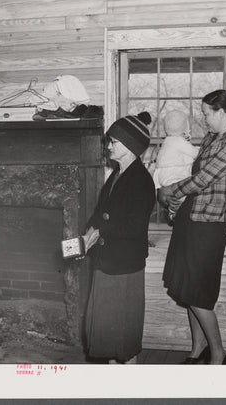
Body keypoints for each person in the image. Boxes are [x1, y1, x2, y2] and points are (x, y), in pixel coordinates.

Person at [158, 90, 226, 365]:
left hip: (209, 224)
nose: (204, 118)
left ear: (221, 113)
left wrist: (169, 190)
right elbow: (193, 171)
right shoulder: (213, 139)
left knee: (198, 290)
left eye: (207, 113)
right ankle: (198, 347)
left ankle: (219, 352)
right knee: (187, 287)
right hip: (191, 216)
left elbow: (202, 179)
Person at [82, 111, 156, 364]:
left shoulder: (142, 181)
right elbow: (101, 212)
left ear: (130, 145)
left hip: (124, 267)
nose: (109, 145)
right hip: (107, 263)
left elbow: (133, 228)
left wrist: (101, 231)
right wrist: (87, 233)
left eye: (114, 141)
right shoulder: (116, 174)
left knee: (124, 338)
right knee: (109, 338)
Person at [152, 110, 199, 223]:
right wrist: (199, 149)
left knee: (175, 199)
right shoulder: (178, 141)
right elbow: (195, 154)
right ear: (185, 128)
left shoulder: (168, 141)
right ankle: (175, 213)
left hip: (163, 177)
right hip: (174, 176)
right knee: (183, 197)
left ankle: (172, 212)